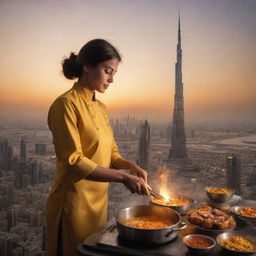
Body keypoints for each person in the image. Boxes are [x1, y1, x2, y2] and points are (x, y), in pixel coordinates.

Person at [47, 39, 149, 256]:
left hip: (98, 203)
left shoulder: (101, 108)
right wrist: (123, 178)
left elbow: (111, 153)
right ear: (87, 66)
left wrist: (131, 166)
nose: (112, 79)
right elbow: (74, 162)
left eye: (114, 74)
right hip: (73, 204)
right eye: (107, 71)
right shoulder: (65, 105)